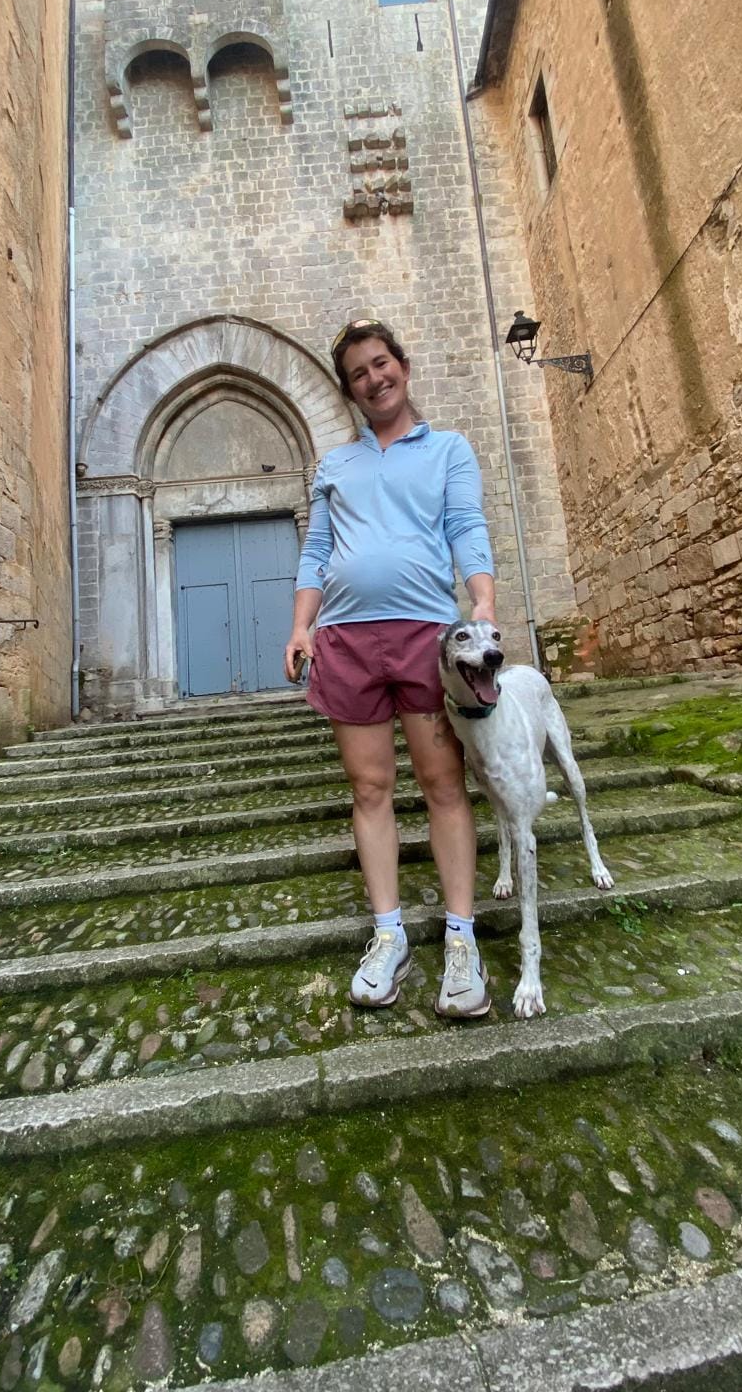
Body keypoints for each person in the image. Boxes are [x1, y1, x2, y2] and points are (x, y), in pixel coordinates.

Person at [283, 319, 496, 1019]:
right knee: (370, 788)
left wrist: (483, 605)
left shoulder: (448, 450)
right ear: (350, 391)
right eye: (359, 374)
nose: (375, 379)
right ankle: (389, 933)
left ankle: (461, 941)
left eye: (382, 364)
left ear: (403, 365)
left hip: (426, 637)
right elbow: (316, 552)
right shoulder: (335, 466)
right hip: (345, 640)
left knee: (442, 784)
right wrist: (301, 625)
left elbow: (466, 528)